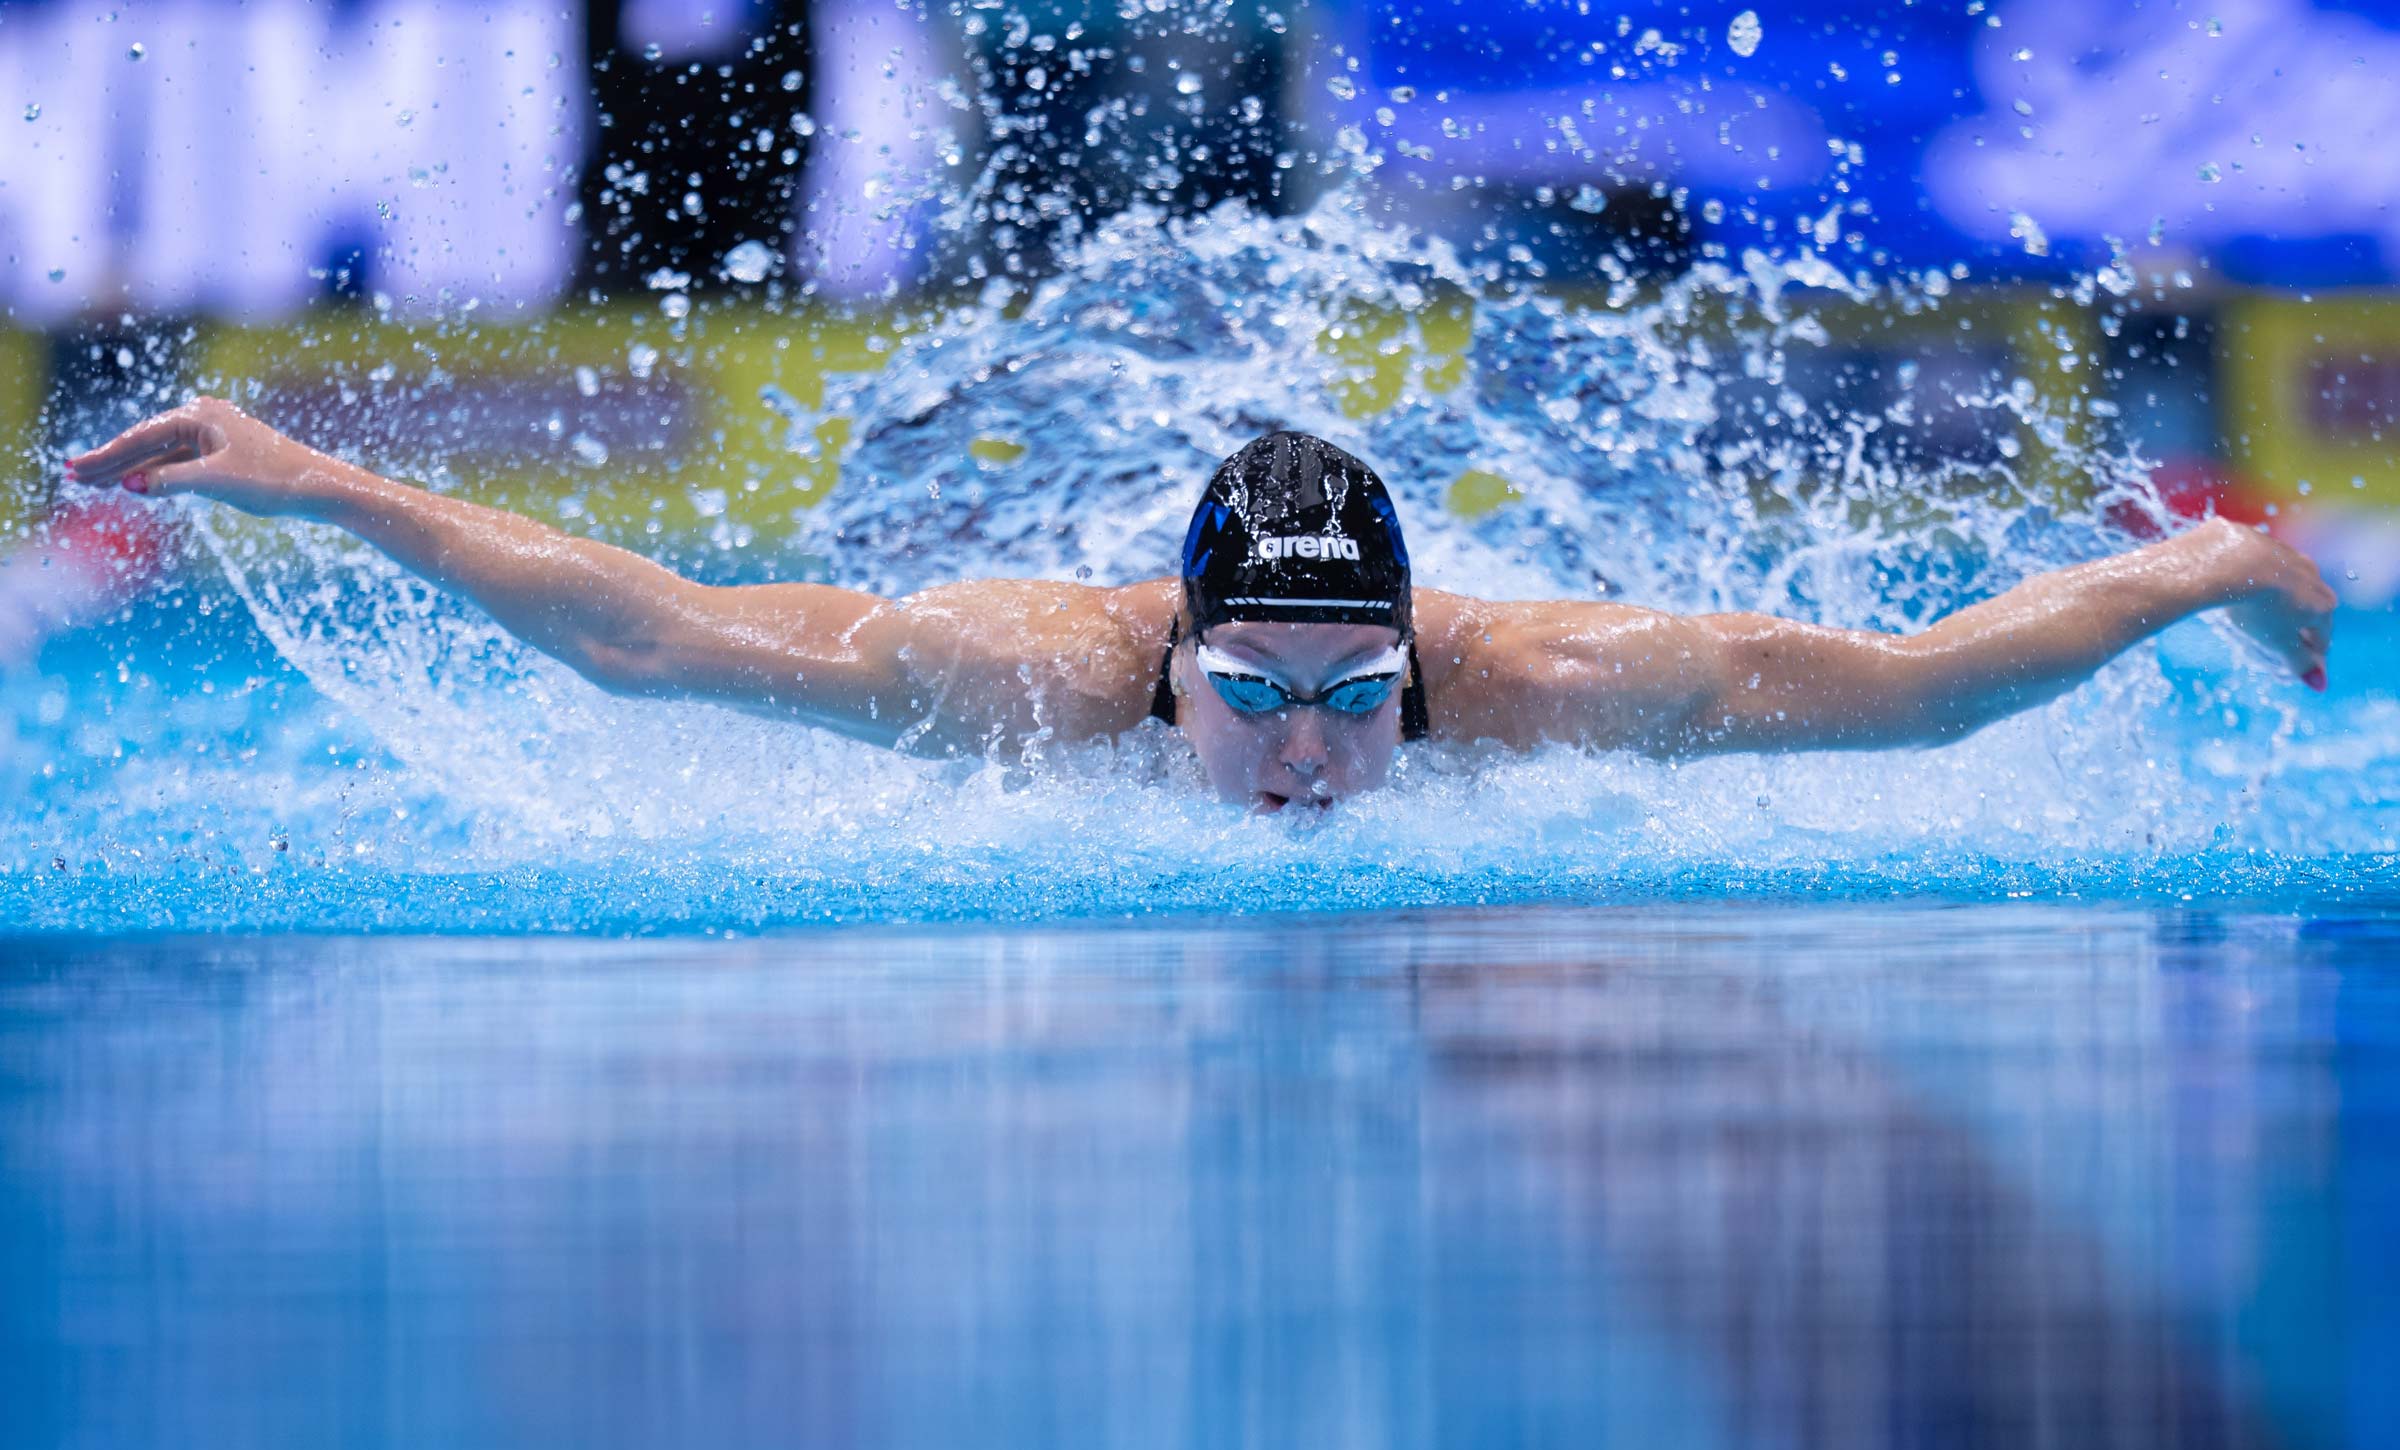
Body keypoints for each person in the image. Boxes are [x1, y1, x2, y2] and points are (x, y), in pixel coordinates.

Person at [65, 398, 2337, 811]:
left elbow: (1941, 692)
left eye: (1359, 694)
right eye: (1259, 689)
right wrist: (319, 481)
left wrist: (2212, 559)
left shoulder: (1551, 694)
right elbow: (646, 623)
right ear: (1171, 656)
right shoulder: (1011, 681)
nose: (1319, 750)